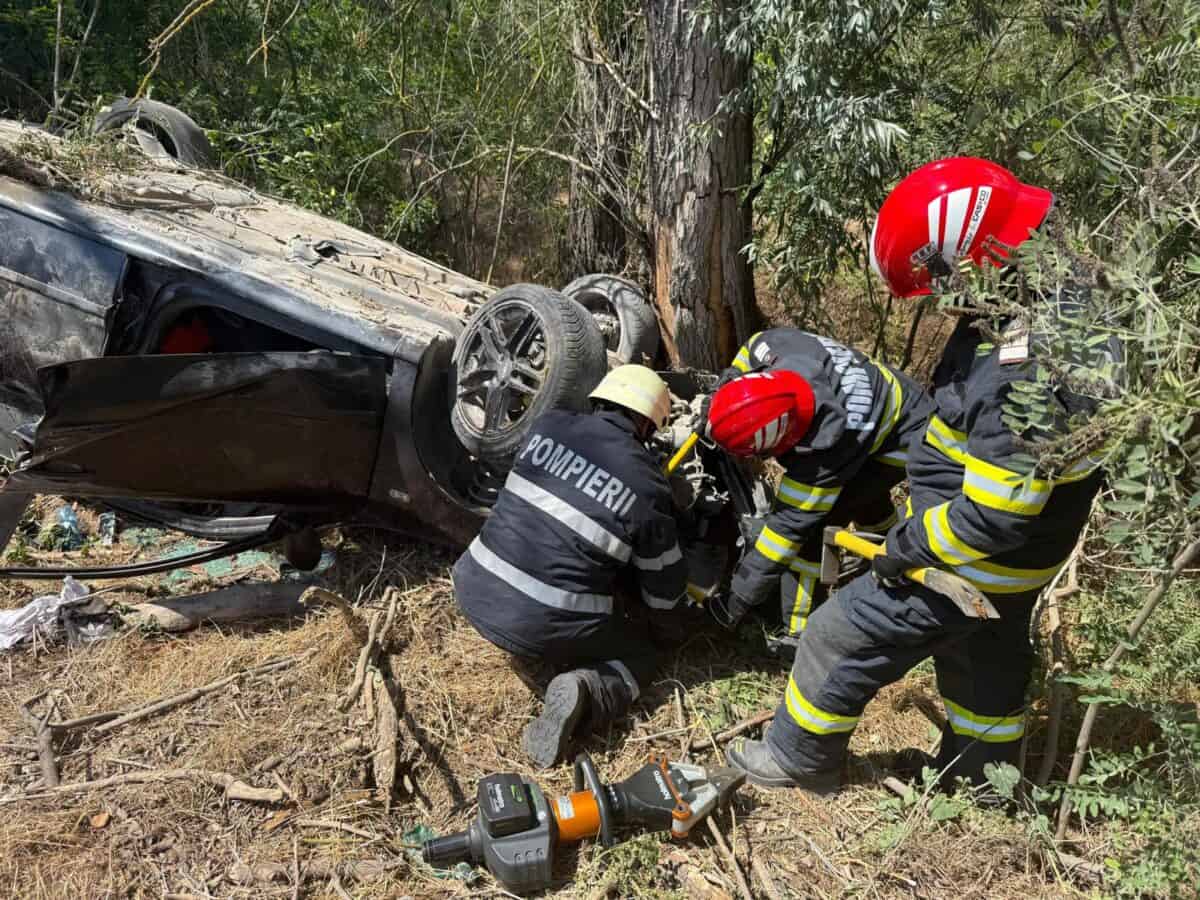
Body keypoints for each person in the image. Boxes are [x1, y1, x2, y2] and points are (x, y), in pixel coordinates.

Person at [727, 157, 1117, 793]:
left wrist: (907, 547)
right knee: (982, 662)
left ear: (964, 250)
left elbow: (993, 517)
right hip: (1025, 560)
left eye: (938, 279)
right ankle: (985, 784)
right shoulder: (1052, 303)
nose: (940, 297)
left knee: (836, 634)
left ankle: (798, 759)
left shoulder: (1019, 365)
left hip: (975, 559)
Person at [453, 364, 688, 768]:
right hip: (539, 623)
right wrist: (671, 631)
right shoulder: (647, 485)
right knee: (643, 654)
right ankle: (589, 691)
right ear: (649, 425)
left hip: (472, 583)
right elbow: (663, 590)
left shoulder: (547, 426)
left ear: (599, 398)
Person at [704, 330, 933, 644]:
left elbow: (787, 532)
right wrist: (725, 391)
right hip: (890, 399)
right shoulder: (771, 345)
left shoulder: (827, 450)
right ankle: (883, 549)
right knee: (862, 499)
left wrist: (737, 599)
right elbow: (746, 356)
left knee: (820, 524)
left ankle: (798, 629)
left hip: (904, 435)